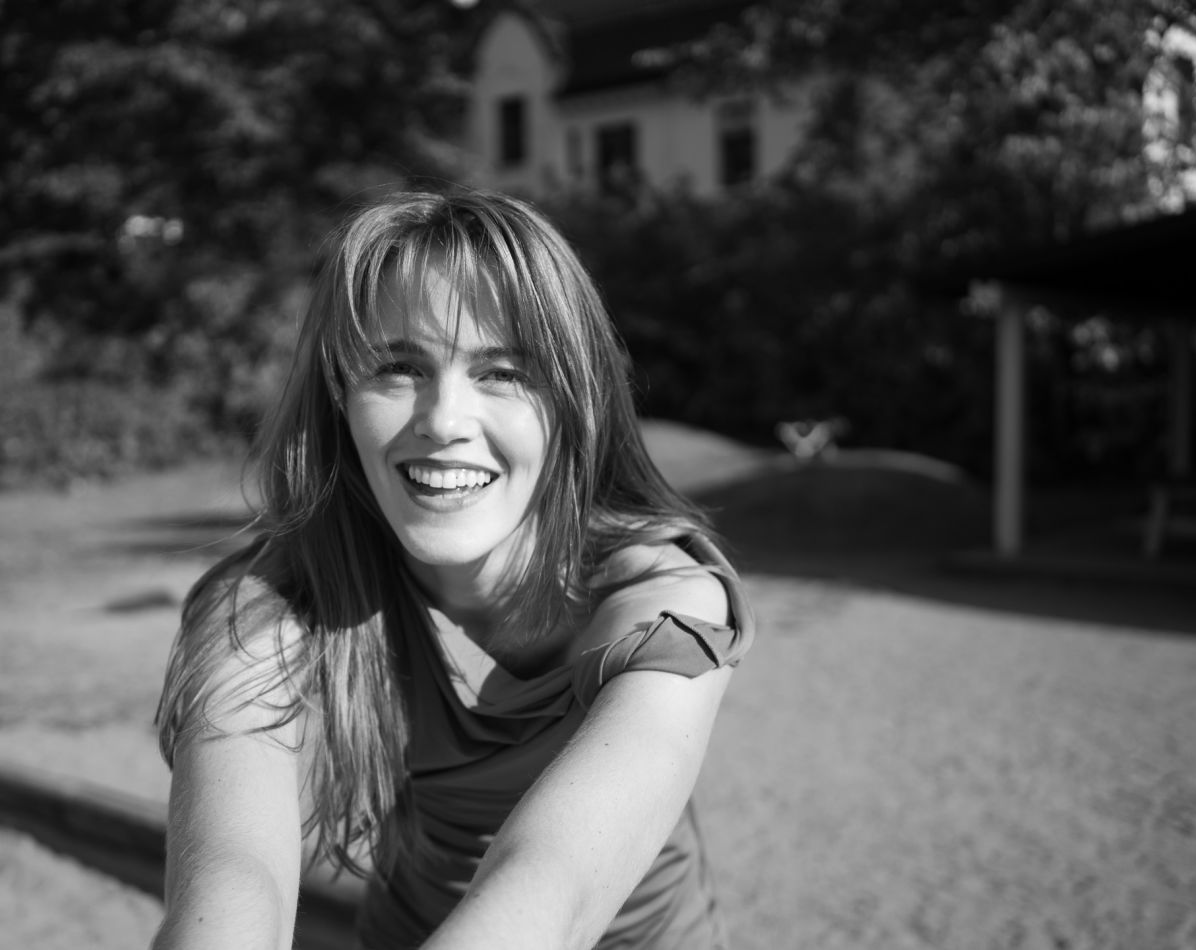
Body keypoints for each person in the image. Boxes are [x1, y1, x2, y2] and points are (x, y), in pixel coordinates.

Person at [152, 189, 753, 950]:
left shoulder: (666, 601)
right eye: (398, 366)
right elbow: (233, 876)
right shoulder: (270, 604)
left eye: (503, 372)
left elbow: (556, 885)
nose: (443, 421)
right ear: (340, 397)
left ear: (575, 401)